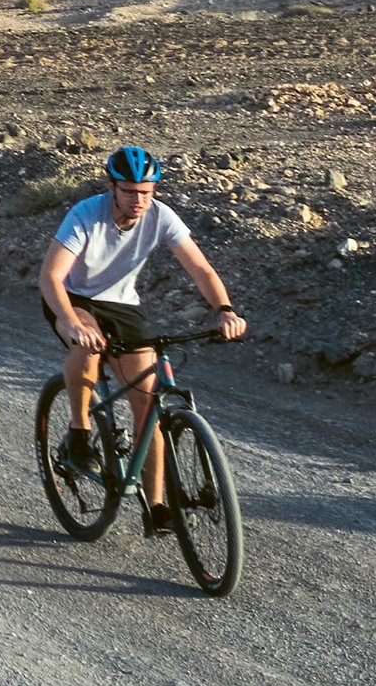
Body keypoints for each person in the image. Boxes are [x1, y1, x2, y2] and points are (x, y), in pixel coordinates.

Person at [41, 144, 246, 526]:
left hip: (122, 305)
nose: (139, 200)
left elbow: (201, 269)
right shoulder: (85, 215)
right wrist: (69, 322)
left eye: (146, 192)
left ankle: (155, 506)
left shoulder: (161, 216)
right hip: (74, 297)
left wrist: (225, 310)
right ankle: (80, 433)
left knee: (147, 402)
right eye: (130, 191)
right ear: (112, 187)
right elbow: (50, 276)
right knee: (88, 343)